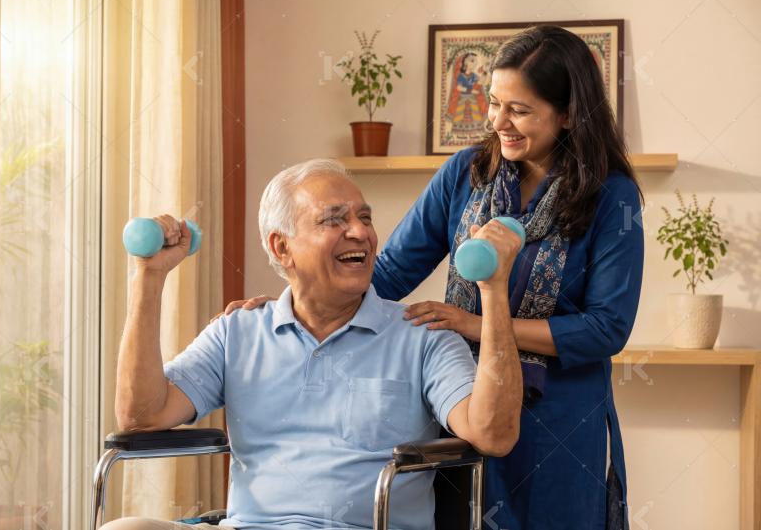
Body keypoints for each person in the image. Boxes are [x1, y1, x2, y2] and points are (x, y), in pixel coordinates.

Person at [224, 25, 643, 530]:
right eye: (493, 103)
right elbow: (390, 271)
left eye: (520, 110)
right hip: (462, 401)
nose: (499, 122)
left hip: (558, 421)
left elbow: (605, 329)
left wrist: (477, 324)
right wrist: (296, 301)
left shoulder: (610, 196)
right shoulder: (465, 173)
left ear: (571, 113)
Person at [104, 158, 524, 530]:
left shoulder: (422, 335)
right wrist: (149, 277)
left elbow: (494, 435)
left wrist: (494, 290)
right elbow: (141, 416)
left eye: (364, 217)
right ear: (281, 247)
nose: (360, 232)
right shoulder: (237, 331)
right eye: (334, 220)